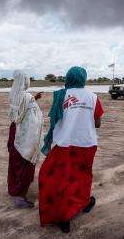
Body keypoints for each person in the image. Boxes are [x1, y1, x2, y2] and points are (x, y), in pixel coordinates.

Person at [39, 66, 104, 233]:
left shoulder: (61, 95)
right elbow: (97, 123)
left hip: (65, 143)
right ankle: (83, 203)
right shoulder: (93, 97)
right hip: (87, 144)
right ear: (83, 78)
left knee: (59, 178)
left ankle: (64, 216)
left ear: (68, 77)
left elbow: (55, 119)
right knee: (82, 176)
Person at [7, 70, 44, 208]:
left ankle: (13, 189)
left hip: (14, 131)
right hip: (25, 136)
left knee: (15, 161)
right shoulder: (26, 97)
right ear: (25, 81)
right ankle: (20, 197)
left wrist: (35, 98)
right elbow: (28, 112)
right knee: (24, 162)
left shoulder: (14, 95)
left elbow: (21, 109)